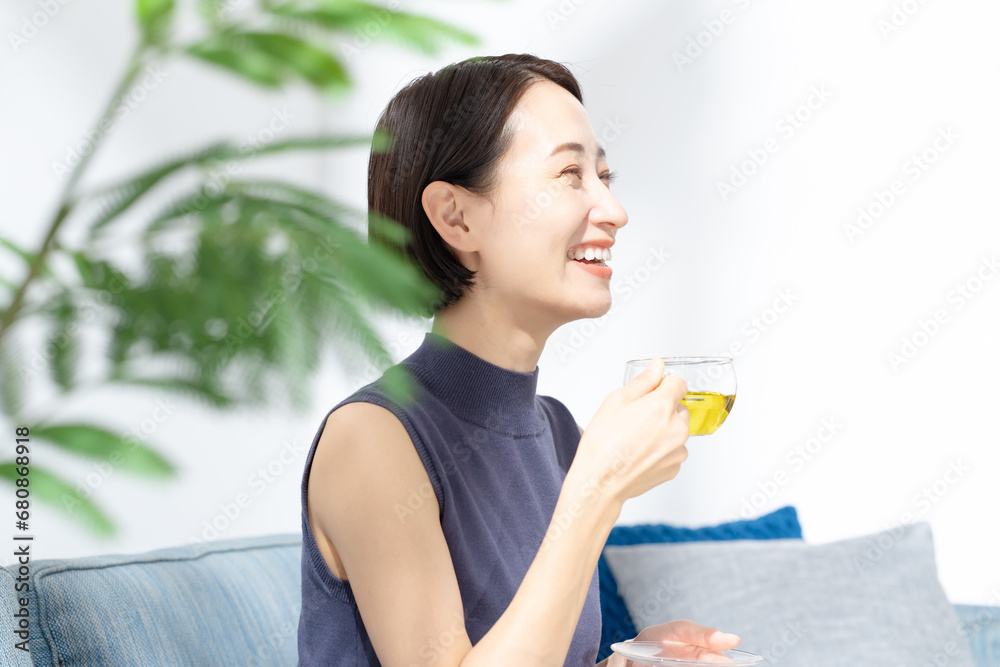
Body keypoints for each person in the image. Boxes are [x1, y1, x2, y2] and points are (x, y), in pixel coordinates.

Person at [298, 53, 742, 666]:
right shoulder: (371, 438)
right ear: (456, 217)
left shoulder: (554, 431)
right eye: (569, 174)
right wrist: (596, 492)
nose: (614, 212)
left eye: (604, 176)